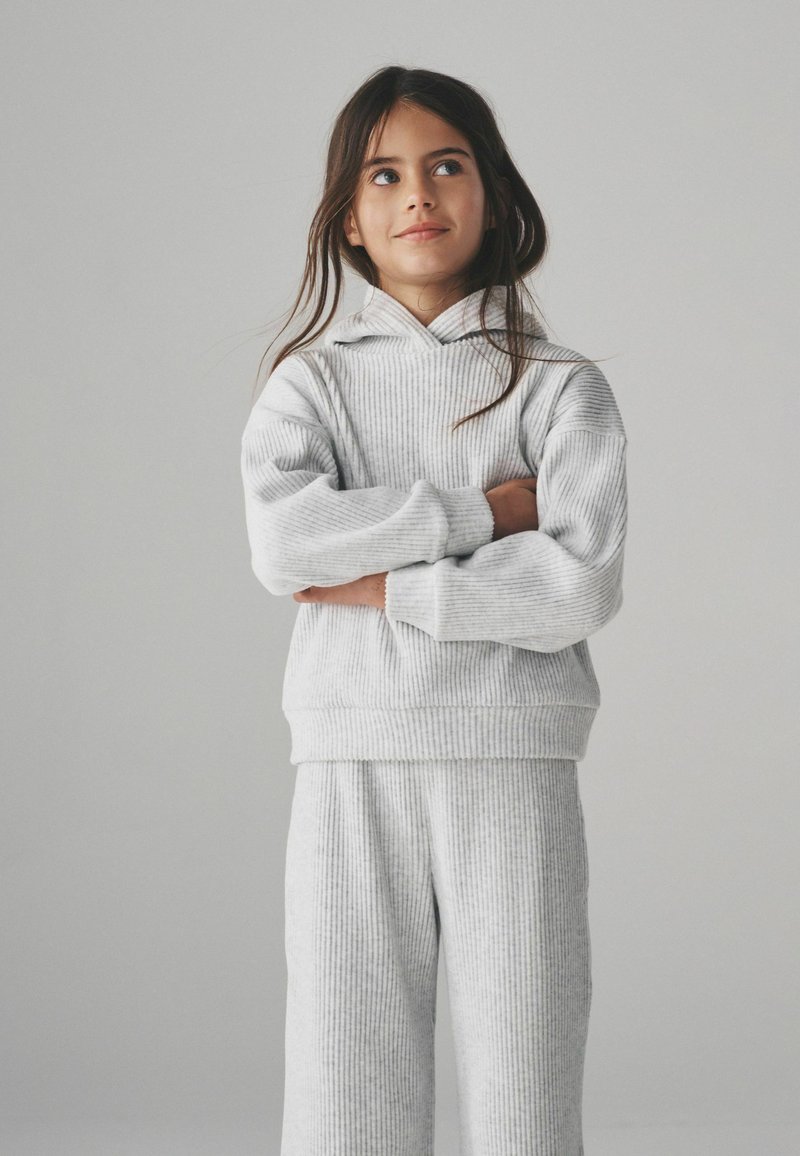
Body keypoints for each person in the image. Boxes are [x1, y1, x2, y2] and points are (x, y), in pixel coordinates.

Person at [240, 64, 628, 1156]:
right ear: (349, 218)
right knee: (345, 1087)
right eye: (384, 174)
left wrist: (385, 583)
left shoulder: (560, 386)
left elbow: (576, 585)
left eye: (446, 165)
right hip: (349, 752)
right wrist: (480, 512)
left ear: (492, 194)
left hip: (513, 752)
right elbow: (285, 546)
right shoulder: (310, 385)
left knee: (525, 1081)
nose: (418, 193)